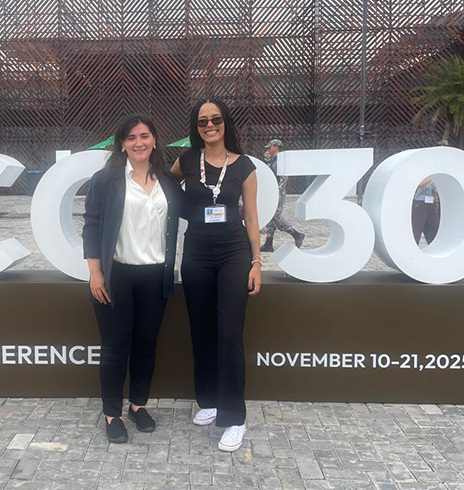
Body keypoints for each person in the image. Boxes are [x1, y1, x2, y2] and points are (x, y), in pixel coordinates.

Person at [82, 115, 183, 443]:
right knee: (115, 349)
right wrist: (95, 273)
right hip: (117, 276)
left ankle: (138, 406)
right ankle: (112, 413)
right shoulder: (106, 180)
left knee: (146, 346)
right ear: (122, 143)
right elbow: (92, 227)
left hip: (155, 276)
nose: (139, 142)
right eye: (131, 137)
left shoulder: (167, 181)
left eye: (145, 136)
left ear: (154, 139)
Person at [170, 98, 261, 453]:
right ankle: (207, 399)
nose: (210, 125)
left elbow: (251, 218)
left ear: (226, 123)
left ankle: (234, 417)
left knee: (228, 332)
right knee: (202, 329)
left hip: (233, 253)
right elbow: (165, 186)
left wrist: (256, 263)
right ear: (196, 126)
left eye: (216, 119)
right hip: (195, 253)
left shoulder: (245, 167)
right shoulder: (188, 161)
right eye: (202, 120)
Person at [261, 139, 305, 251]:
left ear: (275, 147)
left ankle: (296, 234)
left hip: (278, 193)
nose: (268, 149)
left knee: (275, 217)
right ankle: (268, 243)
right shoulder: (273, 160)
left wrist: (279, 192)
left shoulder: (281, 161)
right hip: (272, 192)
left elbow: (284, 178)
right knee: (270, 217)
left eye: (270, 147)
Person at [412, 177, 439, 245]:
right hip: (419, 202)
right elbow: (421, 182)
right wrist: (434, 176)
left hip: (431, 202)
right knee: (416, 231)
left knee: (433, 232)